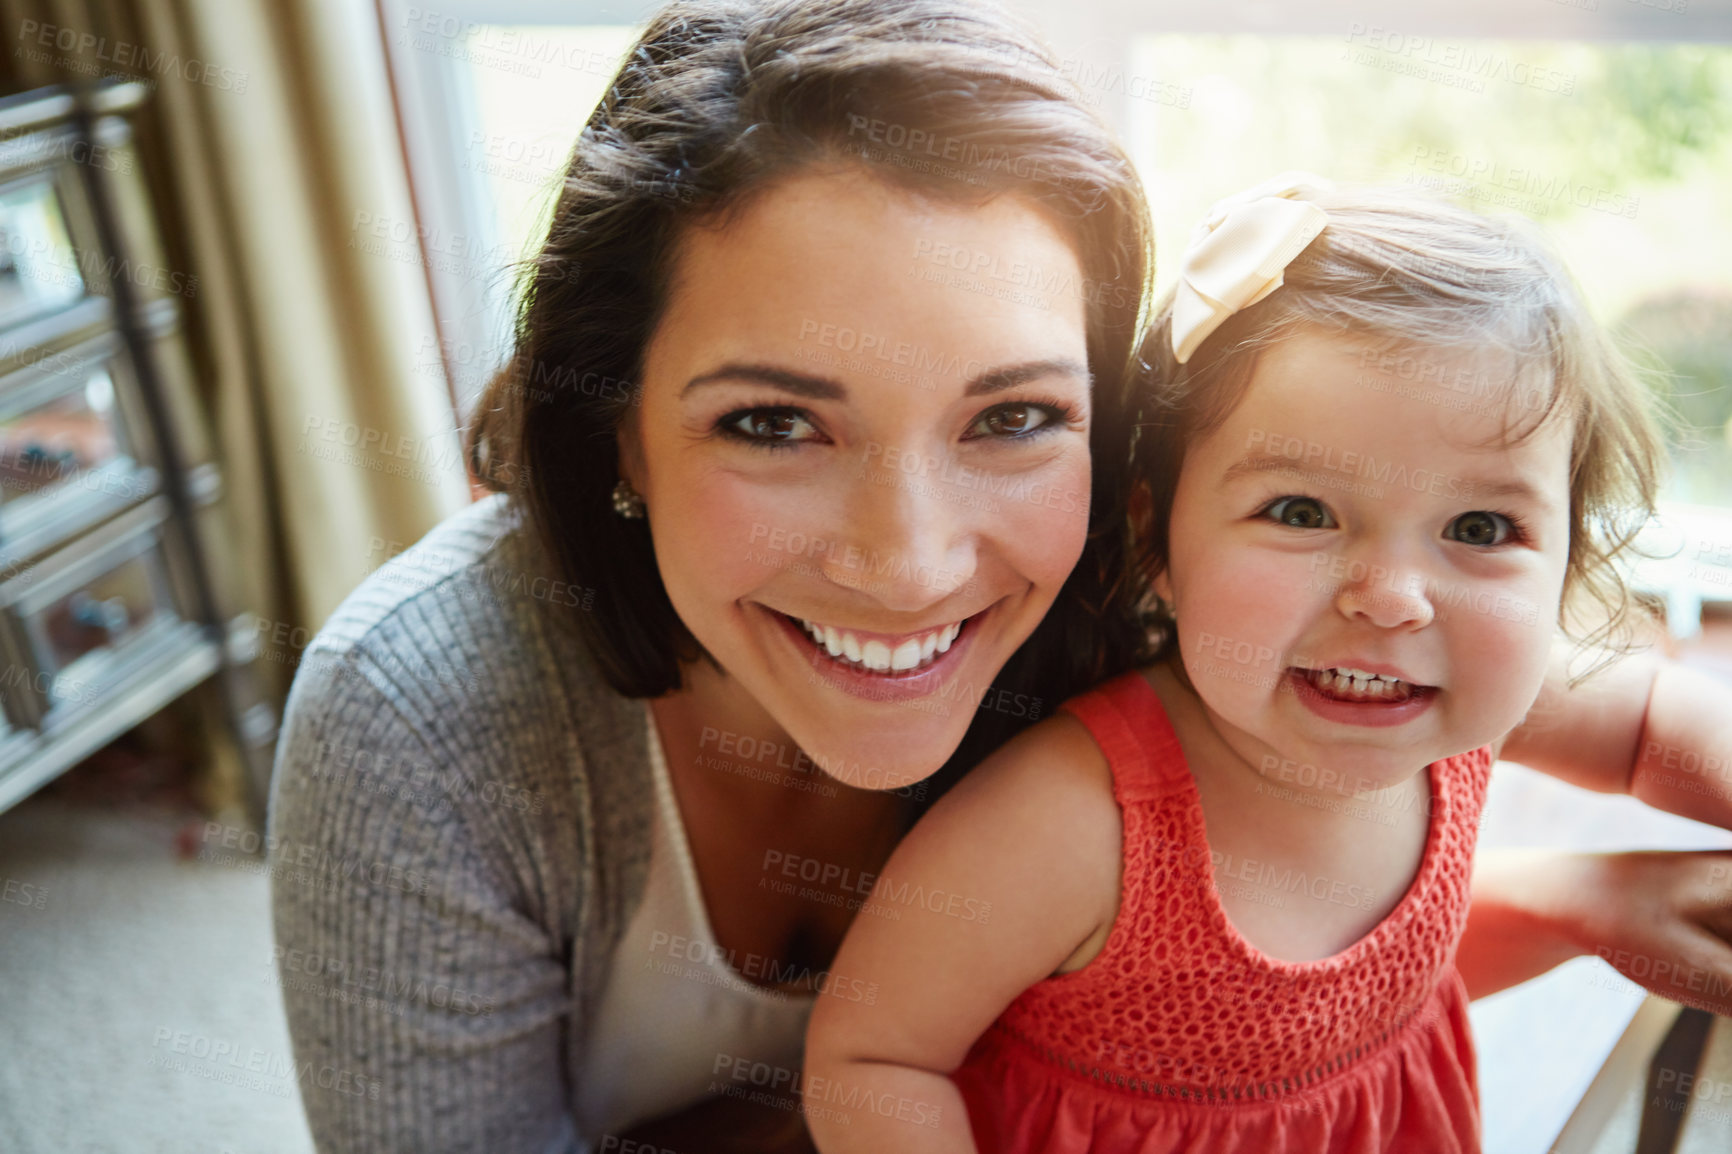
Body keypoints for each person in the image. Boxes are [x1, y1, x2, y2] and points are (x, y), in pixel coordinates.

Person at [268, 2, 1732, 1148]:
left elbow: (1227, 1020)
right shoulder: (422, 720)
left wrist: (1579, 900)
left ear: (1121, 439)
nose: (909, 562)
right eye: (773, 422)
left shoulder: (1206, 580)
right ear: (617, 430)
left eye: (1013, 415)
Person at [803, 176, 1732, 1153]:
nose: (1391, 596)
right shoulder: (1077, 820)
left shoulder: (1466, 696)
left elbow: (1652, 723)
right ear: (1155, 540)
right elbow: (874, 1058)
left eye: (1479, 526)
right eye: (1300, 512)